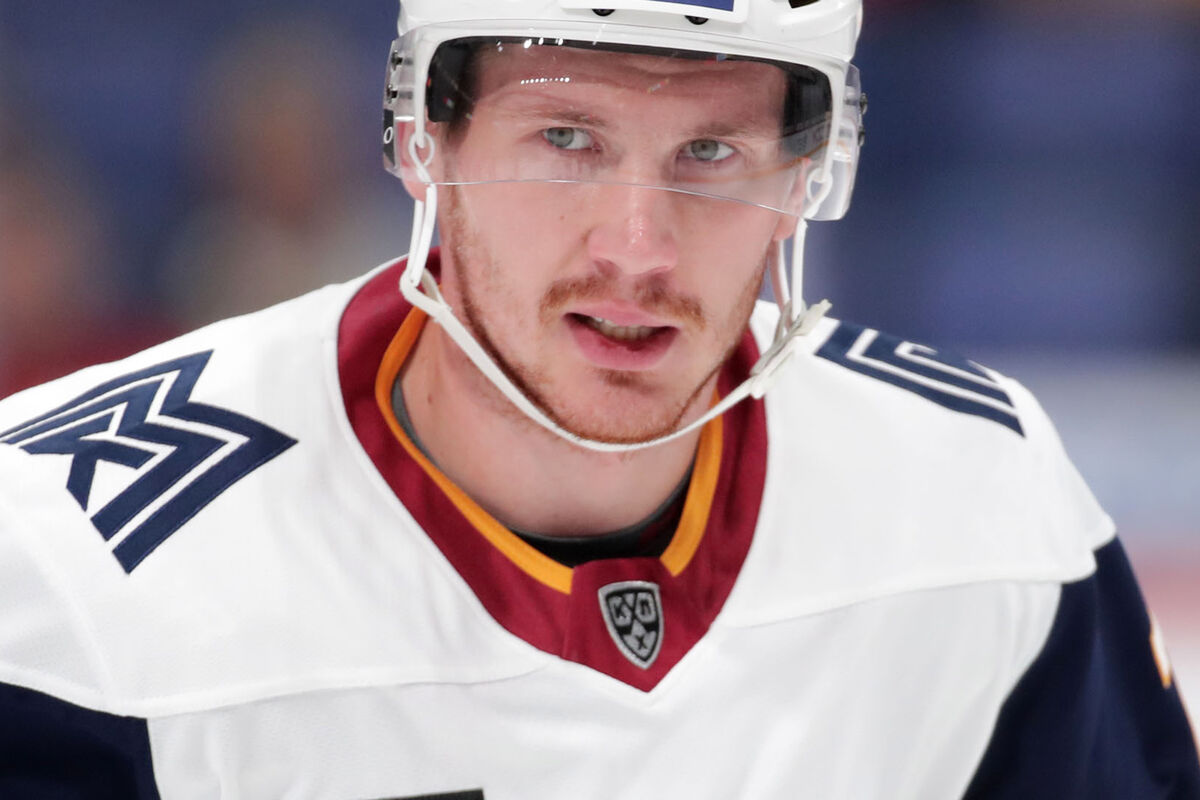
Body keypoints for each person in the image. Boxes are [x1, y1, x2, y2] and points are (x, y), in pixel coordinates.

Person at [0, 1, 1196, 797]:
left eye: (711, 153)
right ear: (421, 143)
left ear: (806, 176)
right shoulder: (60, 571)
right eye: (567, 137)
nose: (638, 247)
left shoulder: (989, 505)